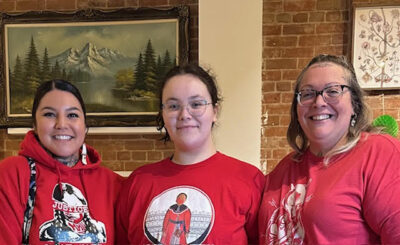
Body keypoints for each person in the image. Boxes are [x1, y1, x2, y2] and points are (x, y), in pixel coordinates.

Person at [258, 54, 400, 244]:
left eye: (333, 91)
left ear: (354, 105)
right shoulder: (285, 167)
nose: (318, 102)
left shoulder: (378, 153)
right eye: (307, 94)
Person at [116, 64, 265, 244]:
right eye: (173, 106)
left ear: (215, 112)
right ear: (163, 113)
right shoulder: (138, 182)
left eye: (196, 104)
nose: (184, 114)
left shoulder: (249, 179)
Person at [0, 79, 123, 244]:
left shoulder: (113, 184)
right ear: (34, 125)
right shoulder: (11, 174)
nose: (62, 124)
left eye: (72, 115)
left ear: (85, 126)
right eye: (49, 114)